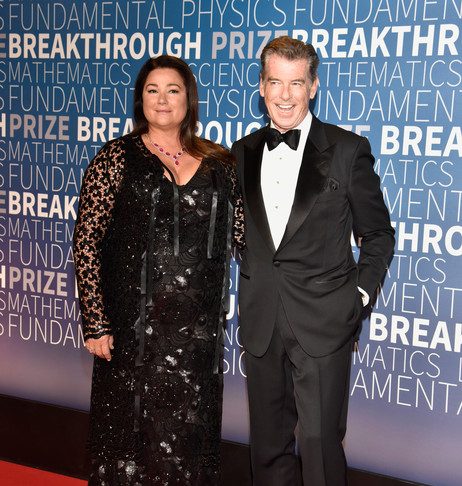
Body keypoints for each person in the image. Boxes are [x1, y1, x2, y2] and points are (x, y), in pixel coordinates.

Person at [231, 36, 395, 486]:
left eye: (296, 83)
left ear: (314, 86)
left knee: (321, 446)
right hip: (262, 320)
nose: (285, 95)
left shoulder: (347, 149)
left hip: (325, 322)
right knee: (267, 447)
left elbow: (378, 234)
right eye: (275, 82)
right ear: (261, 86)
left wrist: (357, 298)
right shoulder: (241, 152)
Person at [73, 55, 243, 485]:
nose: (163, 100)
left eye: (173, 90)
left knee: (186, 441)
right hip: (131, 333)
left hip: (197, 338)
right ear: (140, 99)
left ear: (189, 100)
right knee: (130, 442)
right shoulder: (115, 158)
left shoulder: (221, 164)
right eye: (153, 90)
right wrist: (96, 322)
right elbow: (87, 241)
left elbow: (245, 237)